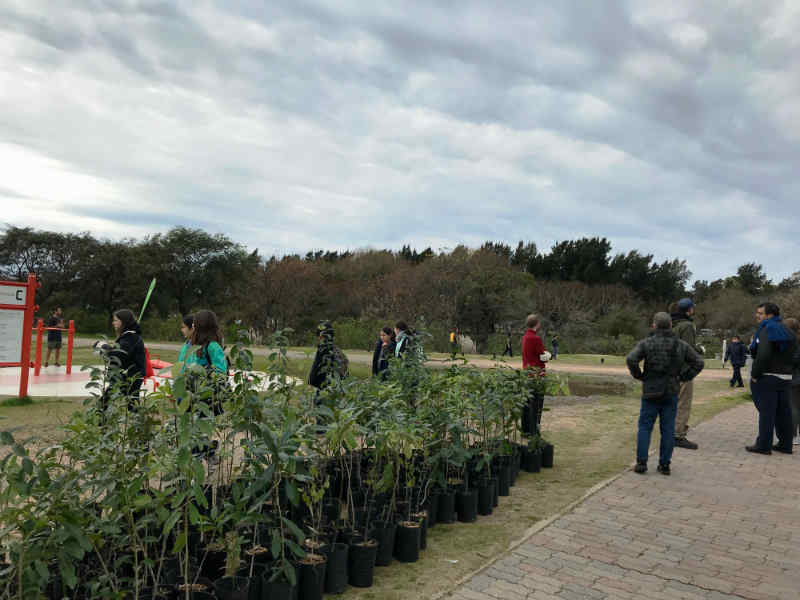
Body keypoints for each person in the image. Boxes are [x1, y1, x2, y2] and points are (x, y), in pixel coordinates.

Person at [627, 312, 704, 475]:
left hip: (651, 389)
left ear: (654, 325)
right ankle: (664, 464)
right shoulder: (680, 344)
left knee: (645, 426)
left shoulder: (647, 343)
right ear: (670, 325)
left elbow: (631, 359)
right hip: (671, 390)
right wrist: (683, 377)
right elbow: (698, 362)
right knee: (668, 428)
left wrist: (639, 375)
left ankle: (641, 463)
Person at [747, 302, 797, 455]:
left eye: (760, 313)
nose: (757, 316)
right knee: (784, 413)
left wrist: (755, 374)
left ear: (770, 315)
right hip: (786, 376)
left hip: (768, 376)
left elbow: (763, 355)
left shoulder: (767, 329)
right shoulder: (787, 330)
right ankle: (785, 444)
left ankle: (763, 445)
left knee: (767, 412)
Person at [96, 309, 147, 409]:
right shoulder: (127, 335)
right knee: (107, 402)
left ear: (124, 321)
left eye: (116, 320)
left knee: (128, 404)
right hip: (123, 376)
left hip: (131, 377)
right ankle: (102, 423)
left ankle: (101, 423)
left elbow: (120, 354)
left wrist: (103, 347)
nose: (113, 322)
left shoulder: (131, 336)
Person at [670, 298, 704, 450]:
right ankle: (677, 435)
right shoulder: (687, 325)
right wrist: (699, 350)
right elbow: (688, 349)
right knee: (683, 403)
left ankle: (673, 429)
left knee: (673, 402)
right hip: (683, 370)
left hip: (670, 369)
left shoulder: (672, 323)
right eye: (692, 308)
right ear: (689, 310)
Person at [521, 314, 550, 436]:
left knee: (527, 403)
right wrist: (549, 355)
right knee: (536, 404)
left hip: (526, 373)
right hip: (537, 374)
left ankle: (525, 429)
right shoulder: (535, 338)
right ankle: (534, 430)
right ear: (537, 324)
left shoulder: (525, 337)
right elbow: (542, 356)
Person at [309, 321, 348, 391]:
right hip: (337, 389)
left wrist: (310, 383)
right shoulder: (338, 351)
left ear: (321, 336)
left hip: (324, 390)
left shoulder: (322, 350)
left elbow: (315, 372)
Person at [785, 318, 800, 445]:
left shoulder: (794, 341)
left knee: (793, 407)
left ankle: (794, 435)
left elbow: (794, 360)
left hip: (795, 379)